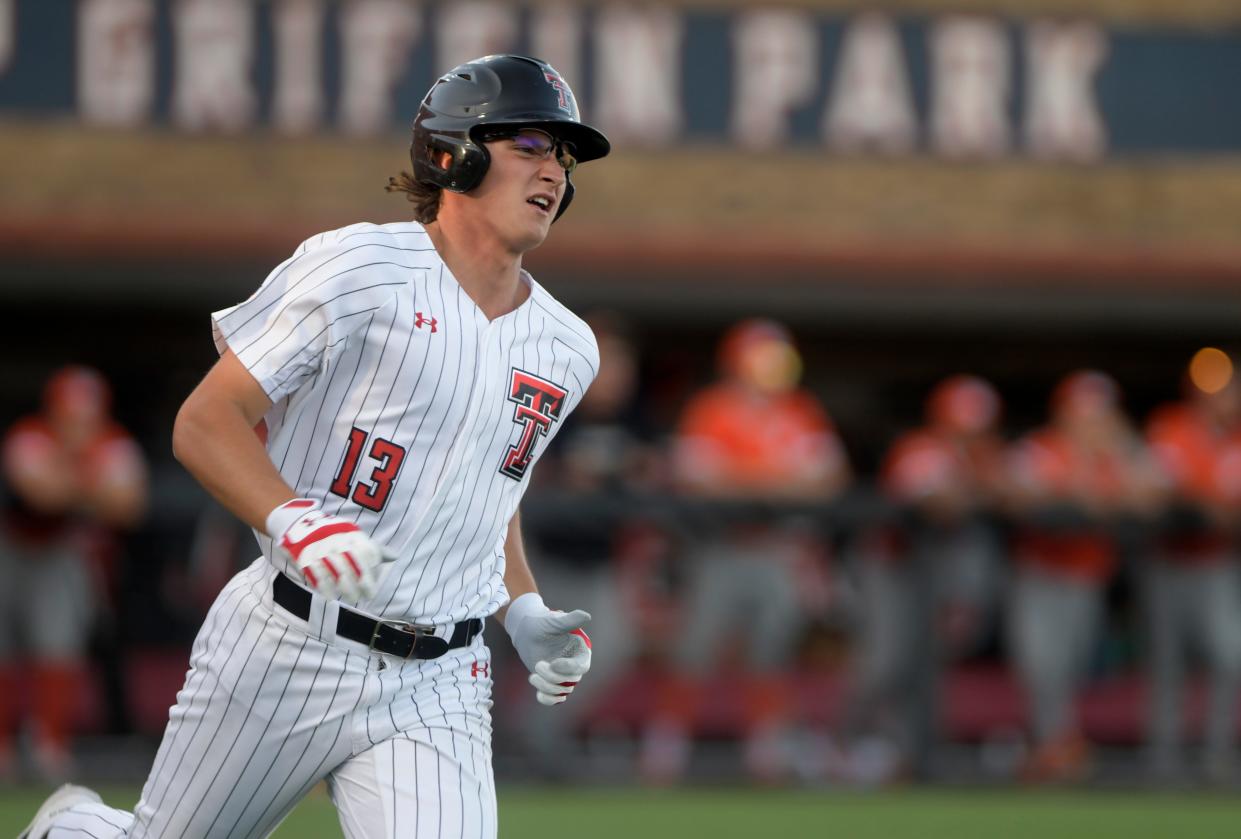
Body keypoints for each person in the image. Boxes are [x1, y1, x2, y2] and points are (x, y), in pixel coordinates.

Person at [23, 54, 608, 839]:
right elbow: (207, 420)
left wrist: (523, 603)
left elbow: (487, 488)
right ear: (453, 152)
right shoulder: (358, 266)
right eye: (533, 144)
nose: (555, 173)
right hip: (289, 642)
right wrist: (290, 517)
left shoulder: (568, 345)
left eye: (564, 158)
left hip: (439, 677)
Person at [638, 318, 852, 784]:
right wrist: (778, 481)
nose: (771, 366)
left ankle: (766, 754)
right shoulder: (713, 408)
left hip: (777, 550)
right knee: (694, 651)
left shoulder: (800, 409)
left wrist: (748, 479)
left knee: (771, 653)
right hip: (721, 548)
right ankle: (665, 752)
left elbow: (829, 480)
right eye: (762, 355)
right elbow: (697, 479)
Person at [844, 374, 1007, 782]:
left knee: (927, 665)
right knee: (885, 661)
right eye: (962, 424)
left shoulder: (987, 454)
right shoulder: (920, 449)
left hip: (937, 574)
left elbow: (1019, 491)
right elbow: (938, 503)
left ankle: (910, 754)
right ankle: (846, 744)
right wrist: (980, 489)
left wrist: (981, 485)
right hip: (891, 566)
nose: (969, 435)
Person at [1004, 370, 1163, 783]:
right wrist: (1079, 486)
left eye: (1099, 415)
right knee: (1041, 662)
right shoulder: (1042, 448)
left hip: (1086, 578)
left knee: (1072, 666)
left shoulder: (1119, 454)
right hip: (1039, 572)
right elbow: (1015, 494)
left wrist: (1120, 451)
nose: (1091, 423)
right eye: (1083, 414)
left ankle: (1058, 745)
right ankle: (1052, 746)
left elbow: (1152, 497)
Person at [0, 366, 147, 781]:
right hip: (11, 546)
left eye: (87, 411)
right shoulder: (30, 434)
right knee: (4, 650)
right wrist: (91, 484)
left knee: (58, 646)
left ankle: (49, 744)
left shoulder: (113, 441)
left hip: (63, 552)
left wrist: (69, 479)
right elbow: (39, 495)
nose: (79, 421)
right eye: (71, 410)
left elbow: (130, 506)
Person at [1143, 353, 1241, 785]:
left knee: (1228, 656)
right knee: (1168, 663)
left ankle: (1215, 753)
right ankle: (1165, 760)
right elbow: (1164, 491)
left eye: (1227, 388)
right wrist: (1208, 506)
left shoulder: (1237, 439)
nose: (1220, 398)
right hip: (1169, 562)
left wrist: (1216, 510)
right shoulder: (1172, 426)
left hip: (1218, 564)